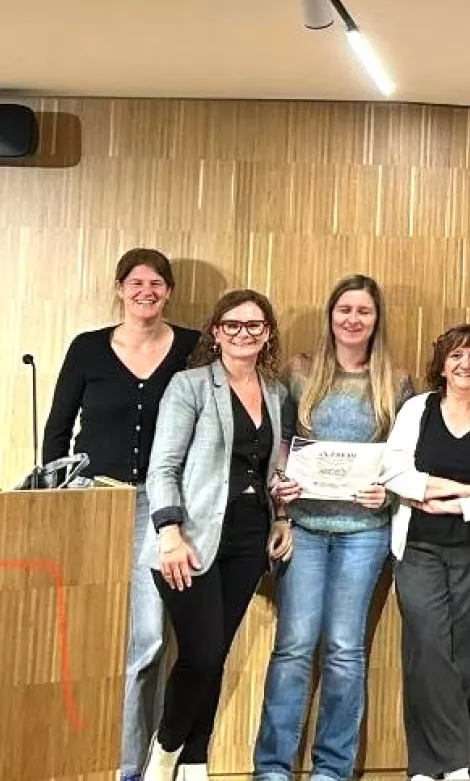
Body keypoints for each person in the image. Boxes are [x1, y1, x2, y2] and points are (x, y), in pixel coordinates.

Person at [39, 247, 200, 781]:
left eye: (157, 283)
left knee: (149, 638)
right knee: (93, 635)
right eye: (136, 282)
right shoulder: (88, 347)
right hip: (93, 502)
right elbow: (58, 430)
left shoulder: (194, 348)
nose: (146, 291)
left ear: (169, 291)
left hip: (162, 507)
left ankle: (135, 765)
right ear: (119, 287)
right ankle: (87, 751)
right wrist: (54, 500)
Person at [254, 275, 413, 781]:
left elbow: (404, 458)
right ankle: (274, 769)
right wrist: (279, 499)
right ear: (331, 315)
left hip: (364, 532)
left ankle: (332, 770)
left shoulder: (397, 382)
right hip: (302, 527)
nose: (352, 319)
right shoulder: (299, 373)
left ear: (376, 319)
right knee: (294, 647)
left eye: (363, 311)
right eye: (344, 309)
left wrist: (386, 492)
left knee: (345, 650)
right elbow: (279, 448)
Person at [140, 289, 293, 781]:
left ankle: (195, 761)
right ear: (216, 332)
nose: (243, 333)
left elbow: (271, 468)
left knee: (216, 653)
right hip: (189, 542)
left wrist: (283, 512)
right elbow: (162, 467)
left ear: (267, 333)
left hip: (250, 539)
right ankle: (164, 754)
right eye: (232, 324)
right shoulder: (190, 386)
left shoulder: (276, 393)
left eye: (253, 325)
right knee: (201, 654)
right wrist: (169, 532)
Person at [383, 323, 470, 781]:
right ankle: (456, 765)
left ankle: (425, 768)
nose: (466, 364)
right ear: (442, 365)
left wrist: (456, 505)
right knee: (429, 649)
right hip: (417, 549)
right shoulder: (417, 409)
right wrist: (465, 487)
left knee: (466, 657)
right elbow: (395, 472)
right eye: (456, 356)